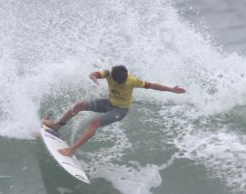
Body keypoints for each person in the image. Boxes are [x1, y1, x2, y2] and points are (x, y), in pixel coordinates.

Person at [43, 65, 186, 157]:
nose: (121, 84)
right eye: (119, 82)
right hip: (109, 103)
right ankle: (57, 125)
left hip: (121, 110)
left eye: (123, 82)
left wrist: (172, 90)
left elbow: (153, 86)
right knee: (80, 104)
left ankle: (72, 149)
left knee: (95, 122)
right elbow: (94, 73)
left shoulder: (133, 80)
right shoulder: (109, 73)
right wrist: (93, 77)